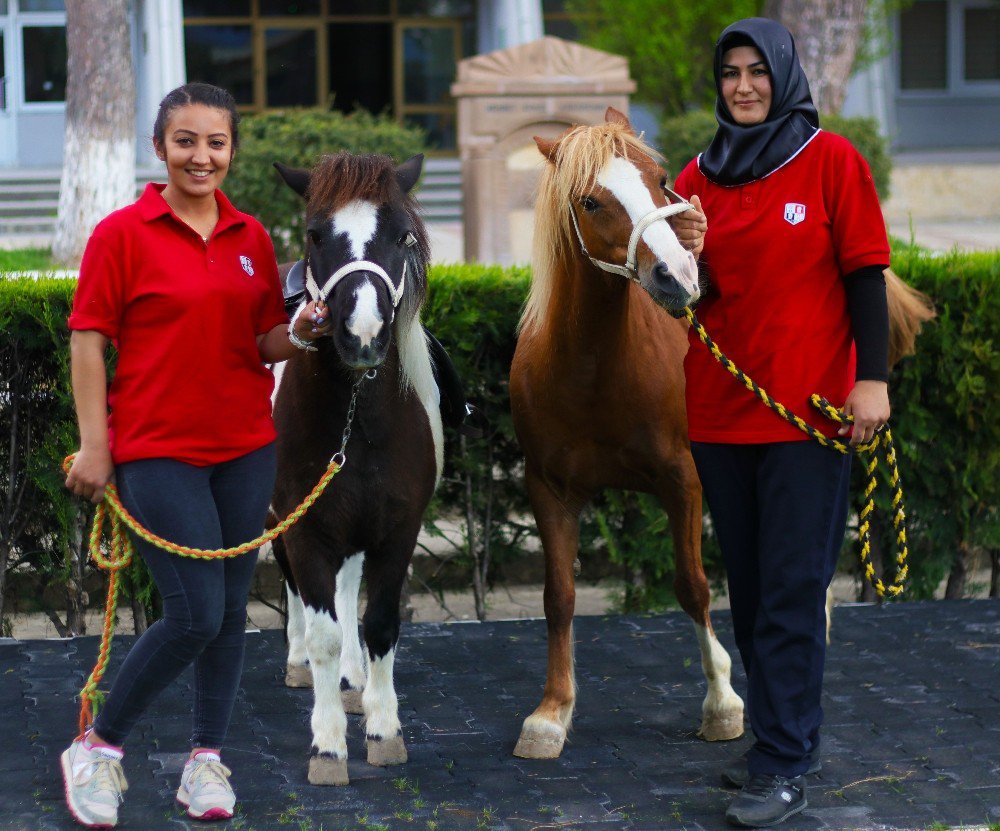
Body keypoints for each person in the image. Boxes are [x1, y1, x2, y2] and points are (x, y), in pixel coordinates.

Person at [61, 82, 331, 828]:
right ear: (160, 148)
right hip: (156, 450)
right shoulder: (121, 234)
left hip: (245, 448)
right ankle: (98, 748)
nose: (201, 156)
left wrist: (304, 331)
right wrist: (95, 443)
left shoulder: (250, 238)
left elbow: (262, 344)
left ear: (232, 151)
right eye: (186, 141)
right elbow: (89, 339)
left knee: (230, 616)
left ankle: (205, 760)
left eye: (215, 143)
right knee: (193, 614)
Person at [671, 18, 891, 828]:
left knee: (793, 592)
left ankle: (785, 760)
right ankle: (779, 735)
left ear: (786, 75)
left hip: (809, 419)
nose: (742, 86)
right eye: (729, 72)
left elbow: (866, 273)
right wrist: (684, 253)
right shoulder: (698, 175)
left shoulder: (832, 162)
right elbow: (686, 299)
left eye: (756, 70)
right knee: (752, 592)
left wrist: (872, 380)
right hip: (720, 417)